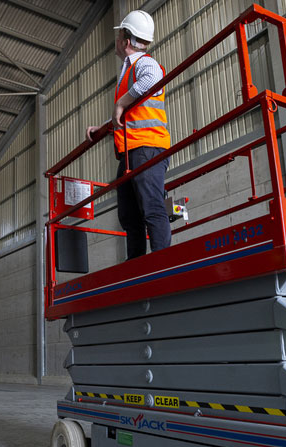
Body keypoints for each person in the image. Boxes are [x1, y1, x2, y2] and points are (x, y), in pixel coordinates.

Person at [86, 10, 171, 260]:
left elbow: (154, 77)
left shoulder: (144, 63)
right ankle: (136, 266)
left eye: (118, 35)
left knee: (151, 207)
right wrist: (102, 127)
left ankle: (161, 263)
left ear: (125, 39)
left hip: (147, 148)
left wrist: (120, 104)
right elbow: (129, 112)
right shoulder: (128, 71)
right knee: (129, 215)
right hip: (130, 151)